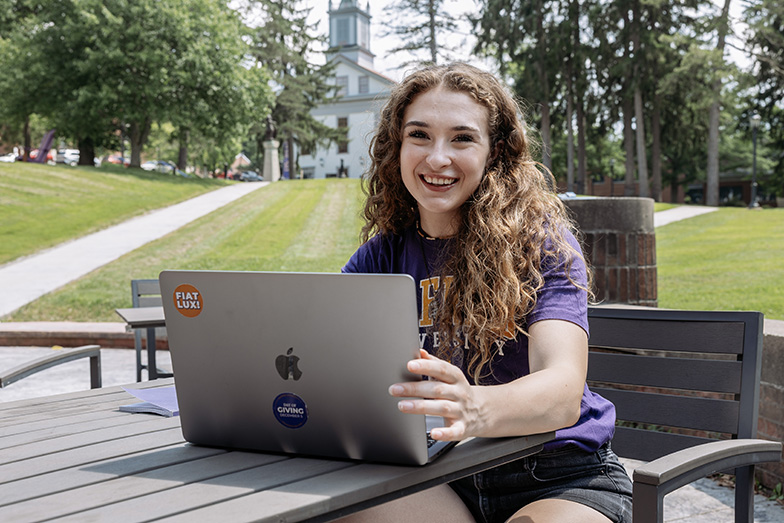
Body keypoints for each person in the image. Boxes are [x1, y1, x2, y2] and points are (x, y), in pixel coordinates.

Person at [340, 63, 633, 523]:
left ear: (494, 153)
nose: (437, 158)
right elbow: (326, 364)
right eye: (419, 135)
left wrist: (474, 408)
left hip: (558, 475)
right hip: (442, 479)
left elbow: (562, 391)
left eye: (462, 138)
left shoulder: (541, 243)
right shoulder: (380, 257)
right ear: (396, 146)